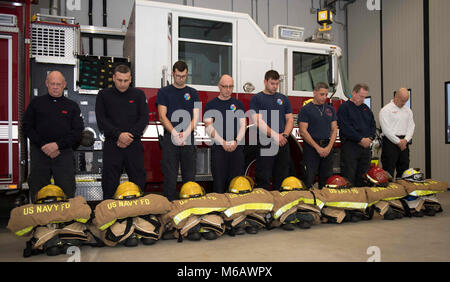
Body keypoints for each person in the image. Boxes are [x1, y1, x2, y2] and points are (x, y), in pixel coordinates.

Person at [22, 70, 84, 202]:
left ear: (64, 85)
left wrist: (57, 145)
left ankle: (66, 222)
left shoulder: (72, 106)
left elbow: (77, 132)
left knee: (67, 190)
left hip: (63, 154)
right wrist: (43, 145)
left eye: (58, 84)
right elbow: (27, 127)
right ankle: (40, 222)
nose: (55, 87)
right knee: (38, 191)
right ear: (47, 84)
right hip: (40, 153)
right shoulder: (36, 103)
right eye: (52, 84)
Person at [95, 64, 149, 199]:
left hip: (133, 144)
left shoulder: (138, 95)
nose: (122, 84)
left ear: (130, 79)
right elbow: (101, 120)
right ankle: (109, 216)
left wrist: (129, 136)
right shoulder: (103, 95)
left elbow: (144, 119)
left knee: (138, 180)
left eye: (126, 80)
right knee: (109, 183)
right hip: (113, 145)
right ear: (113, 78)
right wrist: (118, 135)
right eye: (119, 80)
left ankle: (137, 214)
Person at [156, 61, 200, 201]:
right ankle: (169, 210)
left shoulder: (194, 93)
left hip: (188, 138)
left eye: (183, 76)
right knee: (170, 176)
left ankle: (189, 207)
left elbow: (196, 117)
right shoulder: (163, 92)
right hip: (170, 138)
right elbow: (162, 116)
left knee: (190, 177)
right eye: (178, 76)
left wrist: (185, 134)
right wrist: (175, 134)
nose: (180, 79)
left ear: (186, 74)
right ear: (173, 74)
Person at [249, 70, 294, 190]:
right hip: (266, 141)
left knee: (282, 176)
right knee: (263, 175)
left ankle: (280, 203)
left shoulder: (283, 98)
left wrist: (284, 135)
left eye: (276, 84)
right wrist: (275, 135)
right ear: (265, 82)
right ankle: (265, 205)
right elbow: (257, 121)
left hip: (282, 142)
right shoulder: (257, 98)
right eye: (272, 83)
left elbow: (290, 119)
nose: (275, 87)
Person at [204, 74, 246, 193]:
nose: (228, 90)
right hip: (219, 149)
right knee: (219, 184)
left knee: (236, 184)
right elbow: (208, 126)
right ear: (219, 86)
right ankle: (219, 211)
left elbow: (243, 125)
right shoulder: (211, 105)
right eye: (225, 86)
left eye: (231, 87)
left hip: (236, 148)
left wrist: (236, 141)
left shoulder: (238, 104)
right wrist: (222, 142)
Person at [298, 82, 338, 189]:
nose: (324, 97)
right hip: (311, 148)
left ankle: (324, 203)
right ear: (314, 93)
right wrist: (317, 148)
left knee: (326, 179)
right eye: (321, 94)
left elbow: (334, 129)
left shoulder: (330, 109)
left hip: (327, 147)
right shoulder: (306, 109)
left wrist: (329, 147)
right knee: (309, 178)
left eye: (326, 94)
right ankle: (307, 203)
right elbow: (303, 131)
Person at [337, 83, 376, 187]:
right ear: (354, 93)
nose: (362, 99)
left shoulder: (366, 109)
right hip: (350, 148)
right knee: (349, 177)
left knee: (363, 178)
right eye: (361, 96)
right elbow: (345, 128)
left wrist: (370, 138)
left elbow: (373, 125)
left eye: (364, 97)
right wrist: (360, 139)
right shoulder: (344, 108)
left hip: (365, 149)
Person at [379, 88, 415, 179]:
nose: (404, 103)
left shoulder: (408, 111)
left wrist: (406, 140)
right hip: (390, 142)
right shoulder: (385, 110)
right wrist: (398, 141)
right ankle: (389, 192)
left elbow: (411, 126)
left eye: (406, 101)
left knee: (404, 170)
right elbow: (386, 130)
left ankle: (403, 192)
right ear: (396, 97)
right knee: (388, 171)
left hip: (404, 142)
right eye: (402, 100)